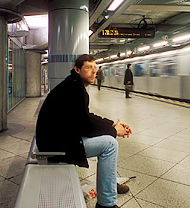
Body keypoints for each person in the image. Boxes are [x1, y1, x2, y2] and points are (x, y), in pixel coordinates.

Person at [36, 54, 132, 208]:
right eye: (88, 68)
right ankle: (106, 203)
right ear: (77, 69)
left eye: (95, 68)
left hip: (57, 139)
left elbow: (85, 117)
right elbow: (86, 127)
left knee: (108, 139)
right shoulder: (75, 89)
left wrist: (112, 125)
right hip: (55, 146)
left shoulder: (73, 85)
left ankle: (110, 184)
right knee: (110, 144)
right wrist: (114, 132)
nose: (94, 71)